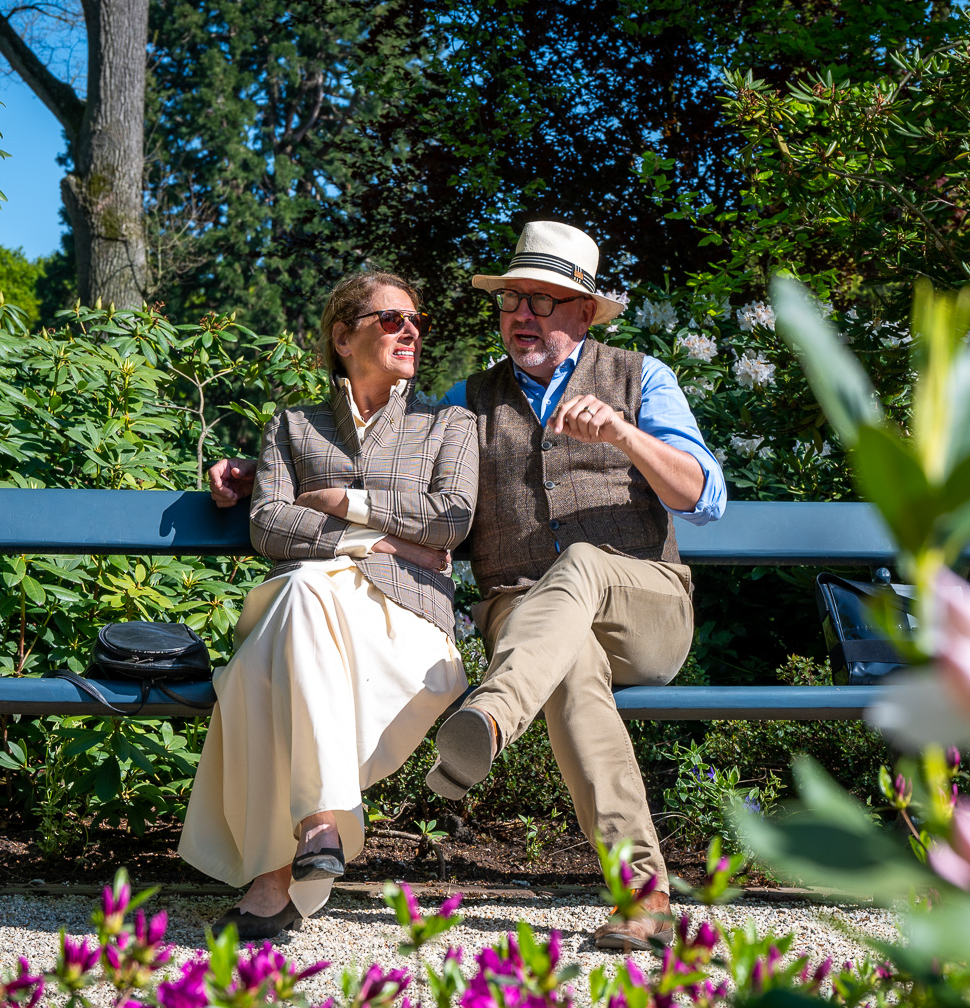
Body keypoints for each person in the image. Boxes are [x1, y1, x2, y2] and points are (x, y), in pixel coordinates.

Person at [430, 220, 726, 952]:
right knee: (567, 667)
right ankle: (644, 900)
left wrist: (626, 435)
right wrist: (256, 478)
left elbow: (705, 496)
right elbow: (396, 485)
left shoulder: (642, 377)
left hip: (644, 605)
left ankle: (493, 715)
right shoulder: (463, 400)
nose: (521, 315)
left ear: (586, 313)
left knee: (587, 562)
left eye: (544, 300)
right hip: (523, 611)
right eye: (510, 301)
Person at [185, 271, 476, 940]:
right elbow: (267, 525)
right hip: (312, 610)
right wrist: (381, 539)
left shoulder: (448, 425)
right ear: (343, 337)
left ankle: (276, 875)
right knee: (303, 593)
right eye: (390, 319)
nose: (410, 331)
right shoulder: (293, 426)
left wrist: (345, 503)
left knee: (275, 637)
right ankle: (318, 824)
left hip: (407, 625)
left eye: (416, 320)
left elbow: (451, 518)